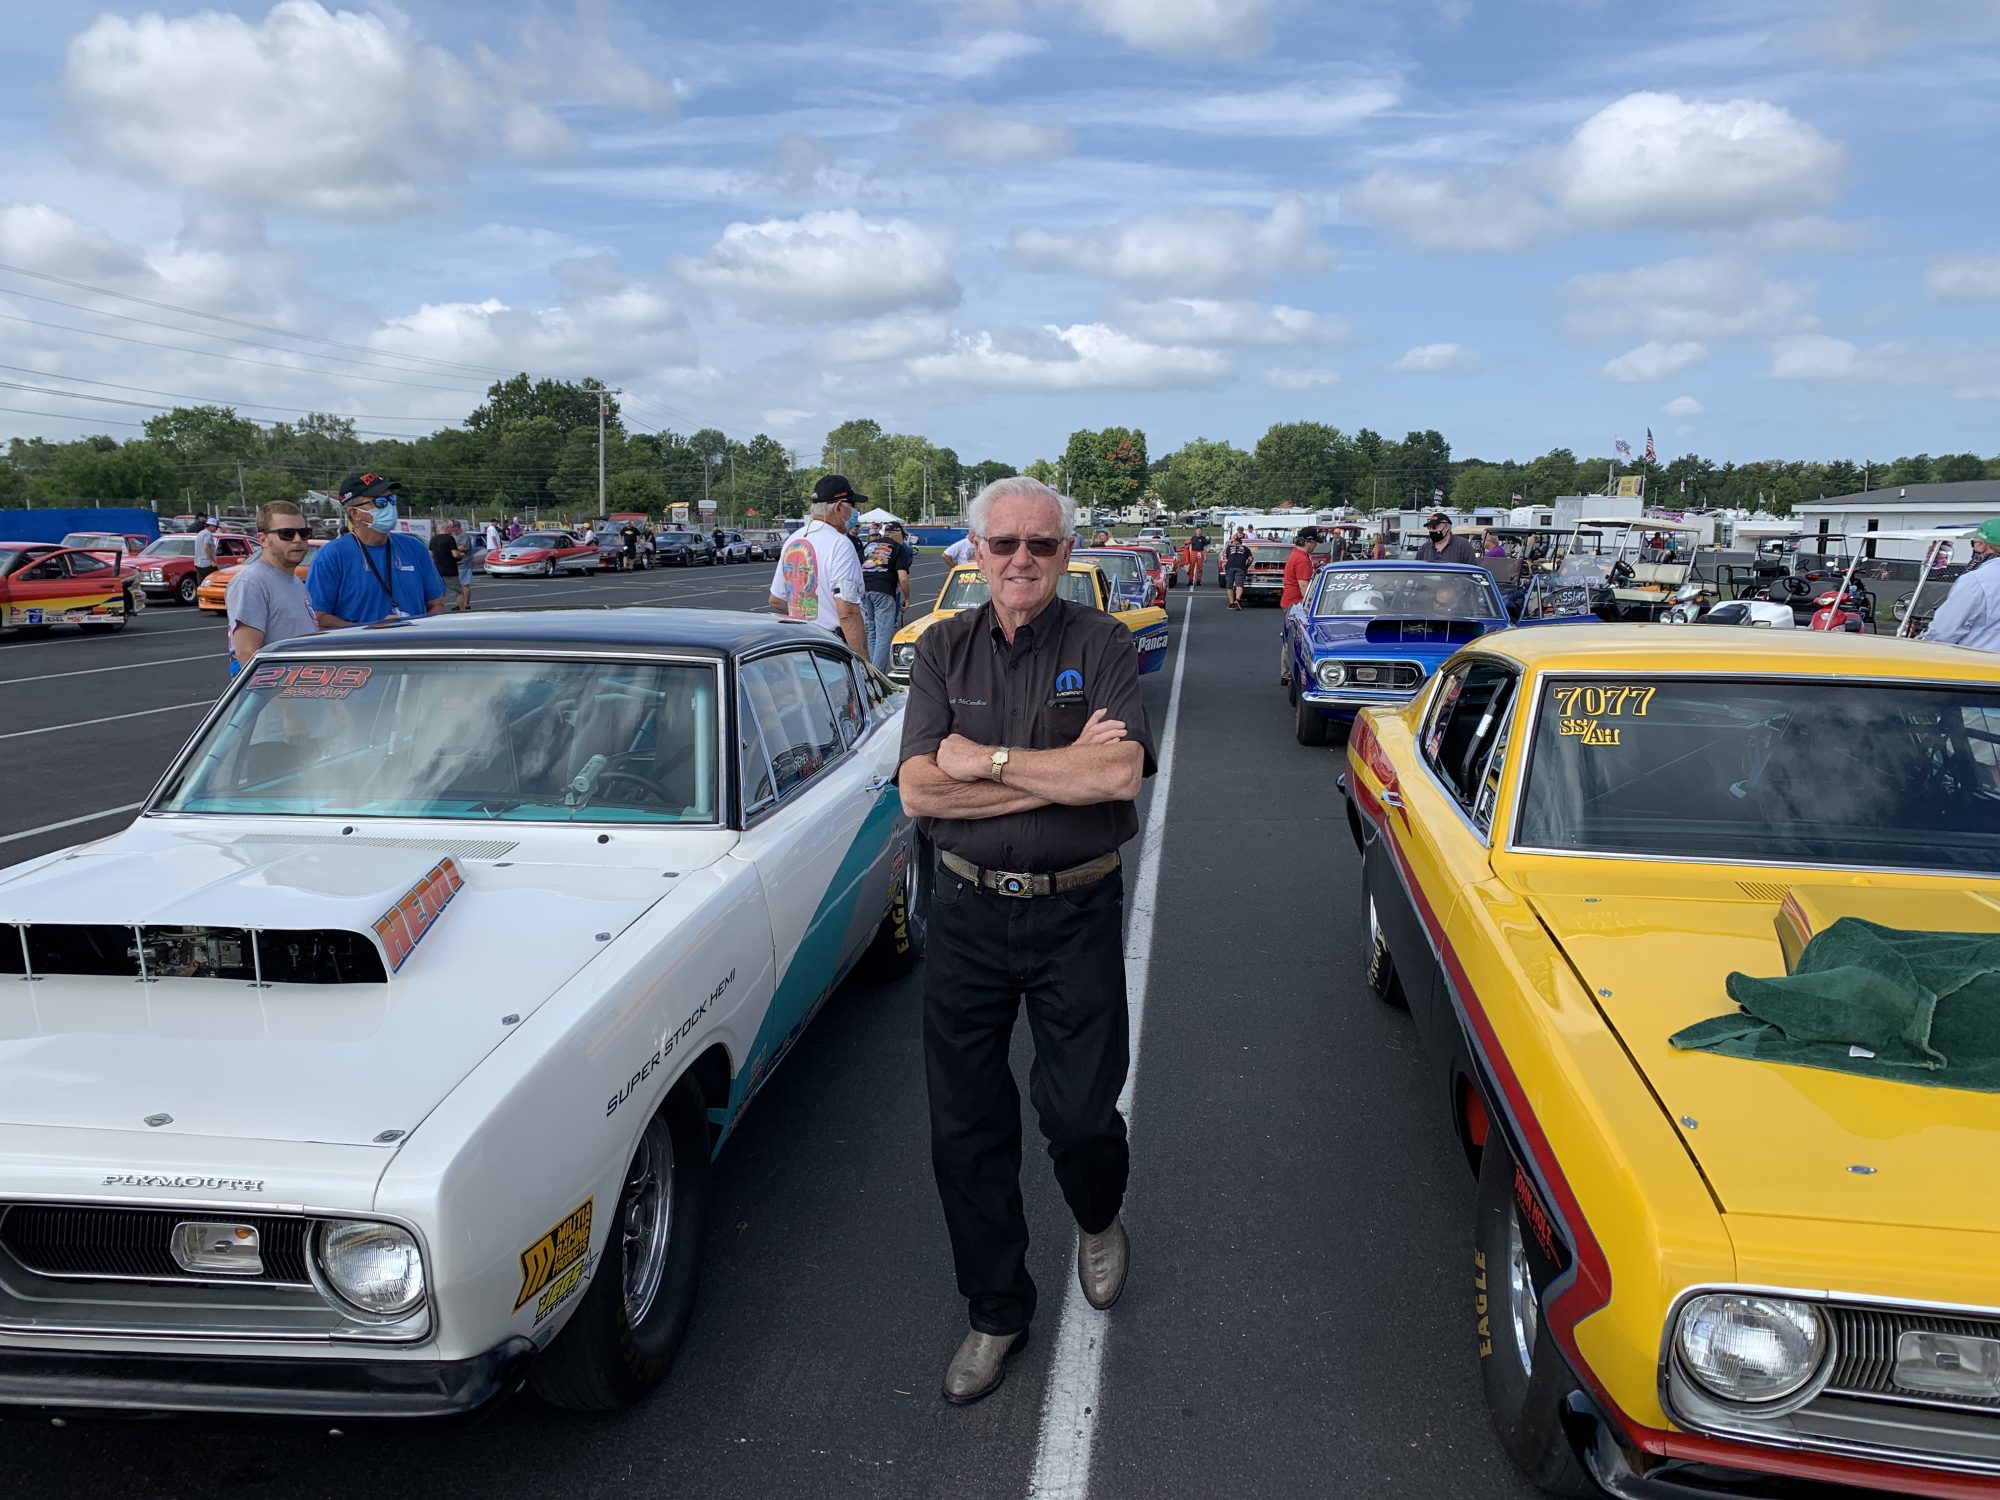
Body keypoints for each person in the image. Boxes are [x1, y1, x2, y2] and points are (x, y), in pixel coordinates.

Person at [897, 476, 1155, 1406]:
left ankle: (1097, 1215)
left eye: (1040, 545)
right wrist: (1060, 771)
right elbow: (921, 792)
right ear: (974, 550)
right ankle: (997, 1311)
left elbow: (1120, 773)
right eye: (1003, 543)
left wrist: (988, 760)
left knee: (1082, 1116)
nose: (1021, 560)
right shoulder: (942, 649)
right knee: (965, 1131)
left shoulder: (1104, 641)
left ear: (1062, 553)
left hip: (1075, 912)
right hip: (966, 914)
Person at [307, 472, 446, 628]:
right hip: (362, 650)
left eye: (391, 499)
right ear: (355, 513)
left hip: (411, 647)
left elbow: (437, 604)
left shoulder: (415, 548)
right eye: (380, 502)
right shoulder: (332, 555)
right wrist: (368, 632)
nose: (389, 506)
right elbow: (319, 617)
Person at [768, 474, 867, 657]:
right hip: (831, 648)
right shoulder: (840, 544)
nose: (854, 512)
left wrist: (808, 616)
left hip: (800, 643)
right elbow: (848, 612)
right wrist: (866, 667)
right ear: (838, 507)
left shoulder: (794, 539)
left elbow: (776, 599)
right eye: (852, 506)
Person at [226, 501, 318, 674]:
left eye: (304, 533)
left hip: (304, 692)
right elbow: (247, 654)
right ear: (263, 540)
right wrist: (279, 701)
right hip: (275, 696)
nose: (297, 540)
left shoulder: (297, 583)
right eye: (286, 534)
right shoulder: (251, 582)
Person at [1924, 519, 2000, 652]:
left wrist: (1921, 643)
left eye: (1974, 543)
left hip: (1977, 663)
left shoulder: (1976, 580)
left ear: (1982, 545)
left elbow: (1944, 632)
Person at [859, 518, 914, 671]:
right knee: (883, 634)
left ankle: (870, 669)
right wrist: (907, 598)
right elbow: (903, 578)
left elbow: (857, 564)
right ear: (897, 534)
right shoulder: (898, 548)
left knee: (872, 632)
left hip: (864, 588)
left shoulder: (870, 545)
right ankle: (877, 675)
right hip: (883, 589)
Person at [1417, 512, 1481, 567]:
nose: (1431, 530)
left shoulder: (1463, 545)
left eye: (1434, 527)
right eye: (1429, 527)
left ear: (1447, 527)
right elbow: (1416, 569)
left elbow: (1473, 570)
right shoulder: (1425, 547)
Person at [427, 522, 464, 611]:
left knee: (439, 593)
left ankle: (440, 610)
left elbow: (431, 553)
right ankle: (462, 610)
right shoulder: (450, 539)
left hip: (437, 569)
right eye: (451, 528)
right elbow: (455, 554)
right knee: (459, 592)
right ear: (447, 528)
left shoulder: (433, 539)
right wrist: (461, 555)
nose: (452, 530)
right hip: (449, 569)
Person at [1221, 529, 1251, 610]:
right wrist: (1246, 566)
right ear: (1241, 543)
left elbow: (1227, 557)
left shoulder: (1229, 547)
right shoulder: (1245, 548)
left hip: (1230, 567)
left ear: (1234, 542)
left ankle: (1231, 603)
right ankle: (1237, 600)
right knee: (1239, 585)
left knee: (1229, 586)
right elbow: (1250, 559)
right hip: (1241, 567)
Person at [191, 517, 220, 590]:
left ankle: (201, 598)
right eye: (216, 527)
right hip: (207, 564)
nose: (216, 529)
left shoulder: (200, 533)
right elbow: (206, 547)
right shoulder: (208, 534)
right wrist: (213, 561)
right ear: (211, 526)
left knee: (201, 584)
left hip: (198, 563)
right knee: (212, 582)